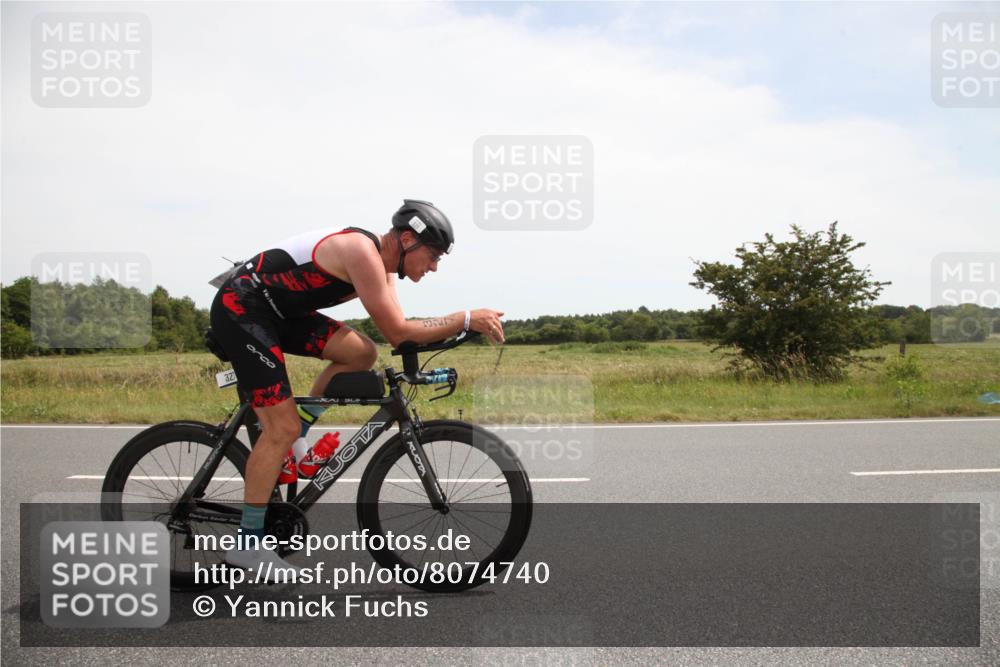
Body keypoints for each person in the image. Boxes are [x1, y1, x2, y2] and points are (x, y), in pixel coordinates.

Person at [209, 199, 505, 577]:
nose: (433, 267)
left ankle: (297, 437)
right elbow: (399, 330)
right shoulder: (362, 252)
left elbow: (401, 336)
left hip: (278, 313)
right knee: (276, 428)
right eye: (432, 256)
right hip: (243, 308)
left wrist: (449, 340)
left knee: (361, 352)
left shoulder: (383, 270)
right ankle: (247, 545)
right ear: (408, 239)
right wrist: (465, 317)